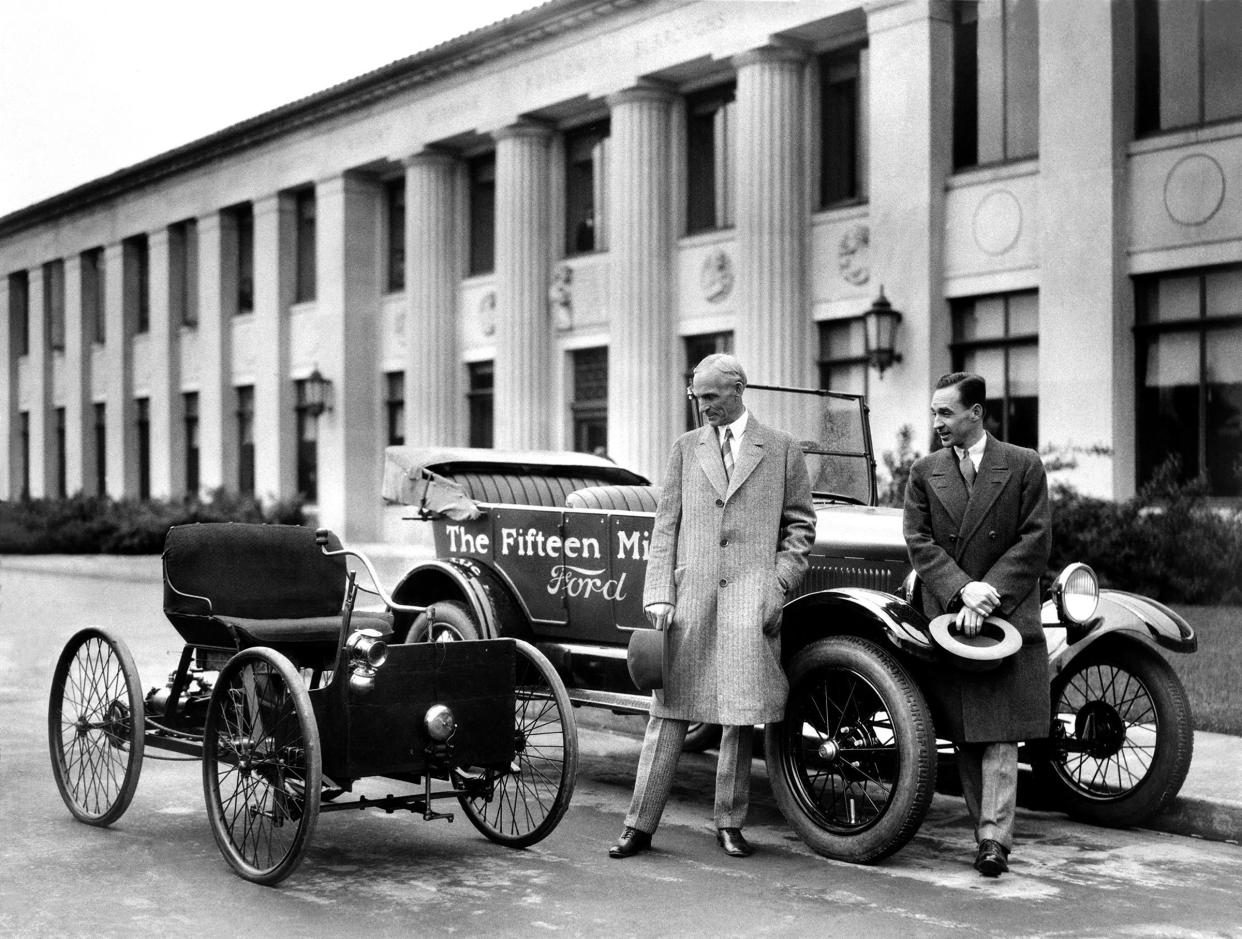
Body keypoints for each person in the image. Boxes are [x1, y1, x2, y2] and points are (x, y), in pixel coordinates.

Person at [609, 353, 815, 860]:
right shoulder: (685, 449)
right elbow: (666, 526)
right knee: (669, 711)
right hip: (690, 597)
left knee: (738, 716)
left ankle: (729, 821)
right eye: (697, 399)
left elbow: (800, 528)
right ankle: (639, 824)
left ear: (739, 388)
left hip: (751, 596)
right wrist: (658, 592)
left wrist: (777, 585)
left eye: (712, 398)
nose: (703, 409)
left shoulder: (783, 449)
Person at [902, 372, 1052, 878]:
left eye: (945, 412)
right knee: (967, 729)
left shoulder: (1024, 465)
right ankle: (984, 833)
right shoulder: (925, 472)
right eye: (933, 413)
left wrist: (988, 596)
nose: (937, 422)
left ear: (976, 414)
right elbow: (919, 542)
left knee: (1001, 729)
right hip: (950, 614)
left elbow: (1035, 541)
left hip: (1005, 613)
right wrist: (962, 590)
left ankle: (994, 839)